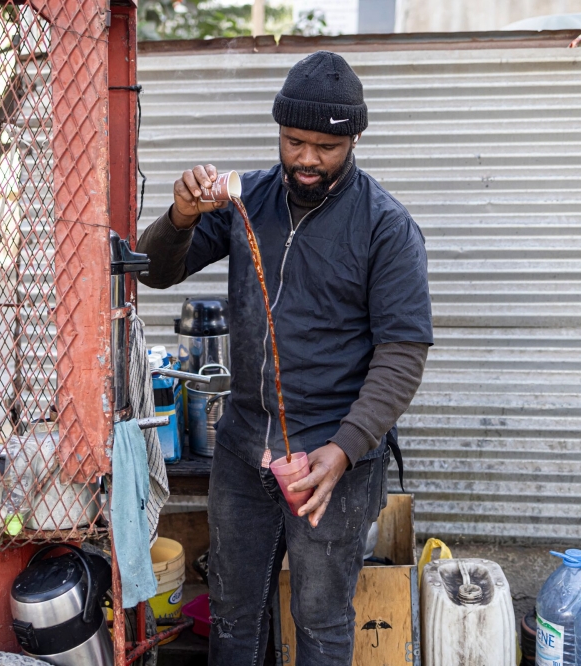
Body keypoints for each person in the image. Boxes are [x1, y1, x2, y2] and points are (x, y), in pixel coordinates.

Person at [137, 50, 432, 665]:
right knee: (232, 615)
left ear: (353, 139)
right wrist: (181, 215)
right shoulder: (250, 200)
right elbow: (158, 271)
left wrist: (347, 446)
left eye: (325, 147)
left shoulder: (386, 228)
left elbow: (402, 354)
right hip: (245, 449)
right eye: (294, 141)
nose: (306, 159)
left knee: (321, 622)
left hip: (334, 464)